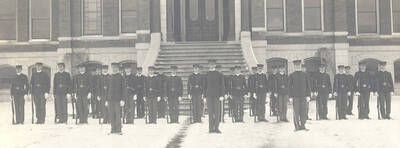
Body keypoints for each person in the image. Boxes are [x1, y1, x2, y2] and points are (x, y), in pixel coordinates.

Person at [288, 60, 311, 131]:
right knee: (296, 112)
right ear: (294, 66)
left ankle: (303, 126)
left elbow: (308, 86)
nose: (297, 66)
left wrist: (308, 95)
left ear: (300, 65)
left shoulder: (305, 75)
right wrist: (290, 97)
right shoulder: (291, 75)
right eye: (296, 65)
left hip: (303, 96)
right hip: (295, 97)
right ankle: (297, 127)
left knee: (303, 112)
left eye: (299, 65)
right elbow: (289, 87)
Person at [204, 59, 225, 133]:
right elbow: (205, 86)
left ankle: (216, 127)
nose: (212, 66)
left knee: (217, 112)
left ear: (215, 65)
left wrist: (222, 95)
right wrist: (204, 96)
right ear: (208, 65)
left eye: (213, 64)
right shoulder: (206, 74)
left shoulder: (219, 75)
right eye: (210, 64)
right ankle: (210, 128)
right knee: (210, 112)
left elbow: (222, 85)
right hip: (209, 95)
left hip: (217, 96)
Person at [106, 63, 125, 134]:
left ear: (118, 68)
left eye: (115, 67)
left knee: (117, 114)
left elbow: (123, 89)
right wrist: (106, 100)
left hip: (118, 100)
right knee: (111, 115)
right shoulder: (110, 77)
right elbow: (107, 89)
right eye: (113, 67)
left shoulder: (121, 77)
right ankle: (113, 129)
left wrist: (123, 99)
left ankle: (118, 130)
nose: (114, 69)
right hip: (110, 99)